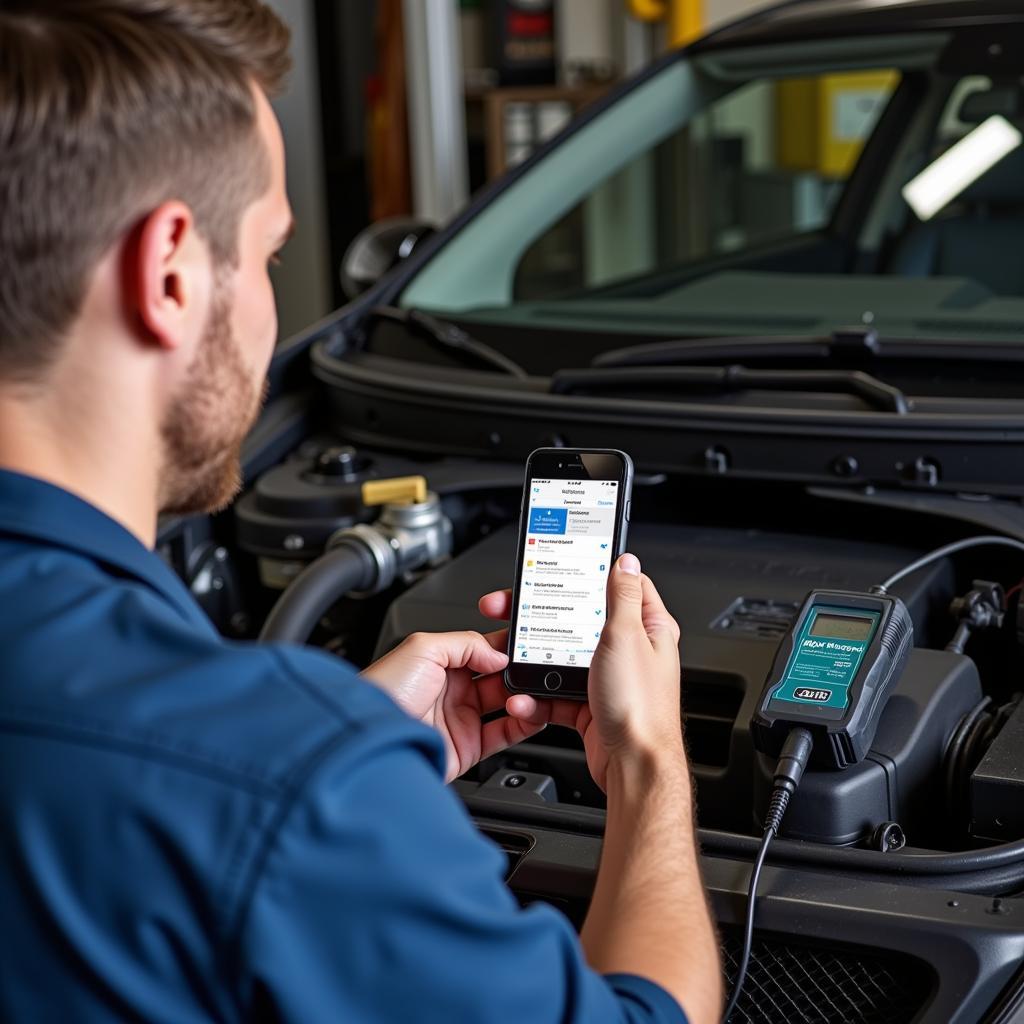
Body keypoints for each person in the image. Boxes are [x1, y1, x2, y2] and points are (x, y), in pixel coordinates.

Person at [0, 3, 722, 1022]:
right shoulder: (285, 775)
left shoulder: (272, 764)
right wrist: (650, 766)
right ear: (167, 272)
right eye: (265, 254)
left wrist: (336, 749)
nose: (267, 307)